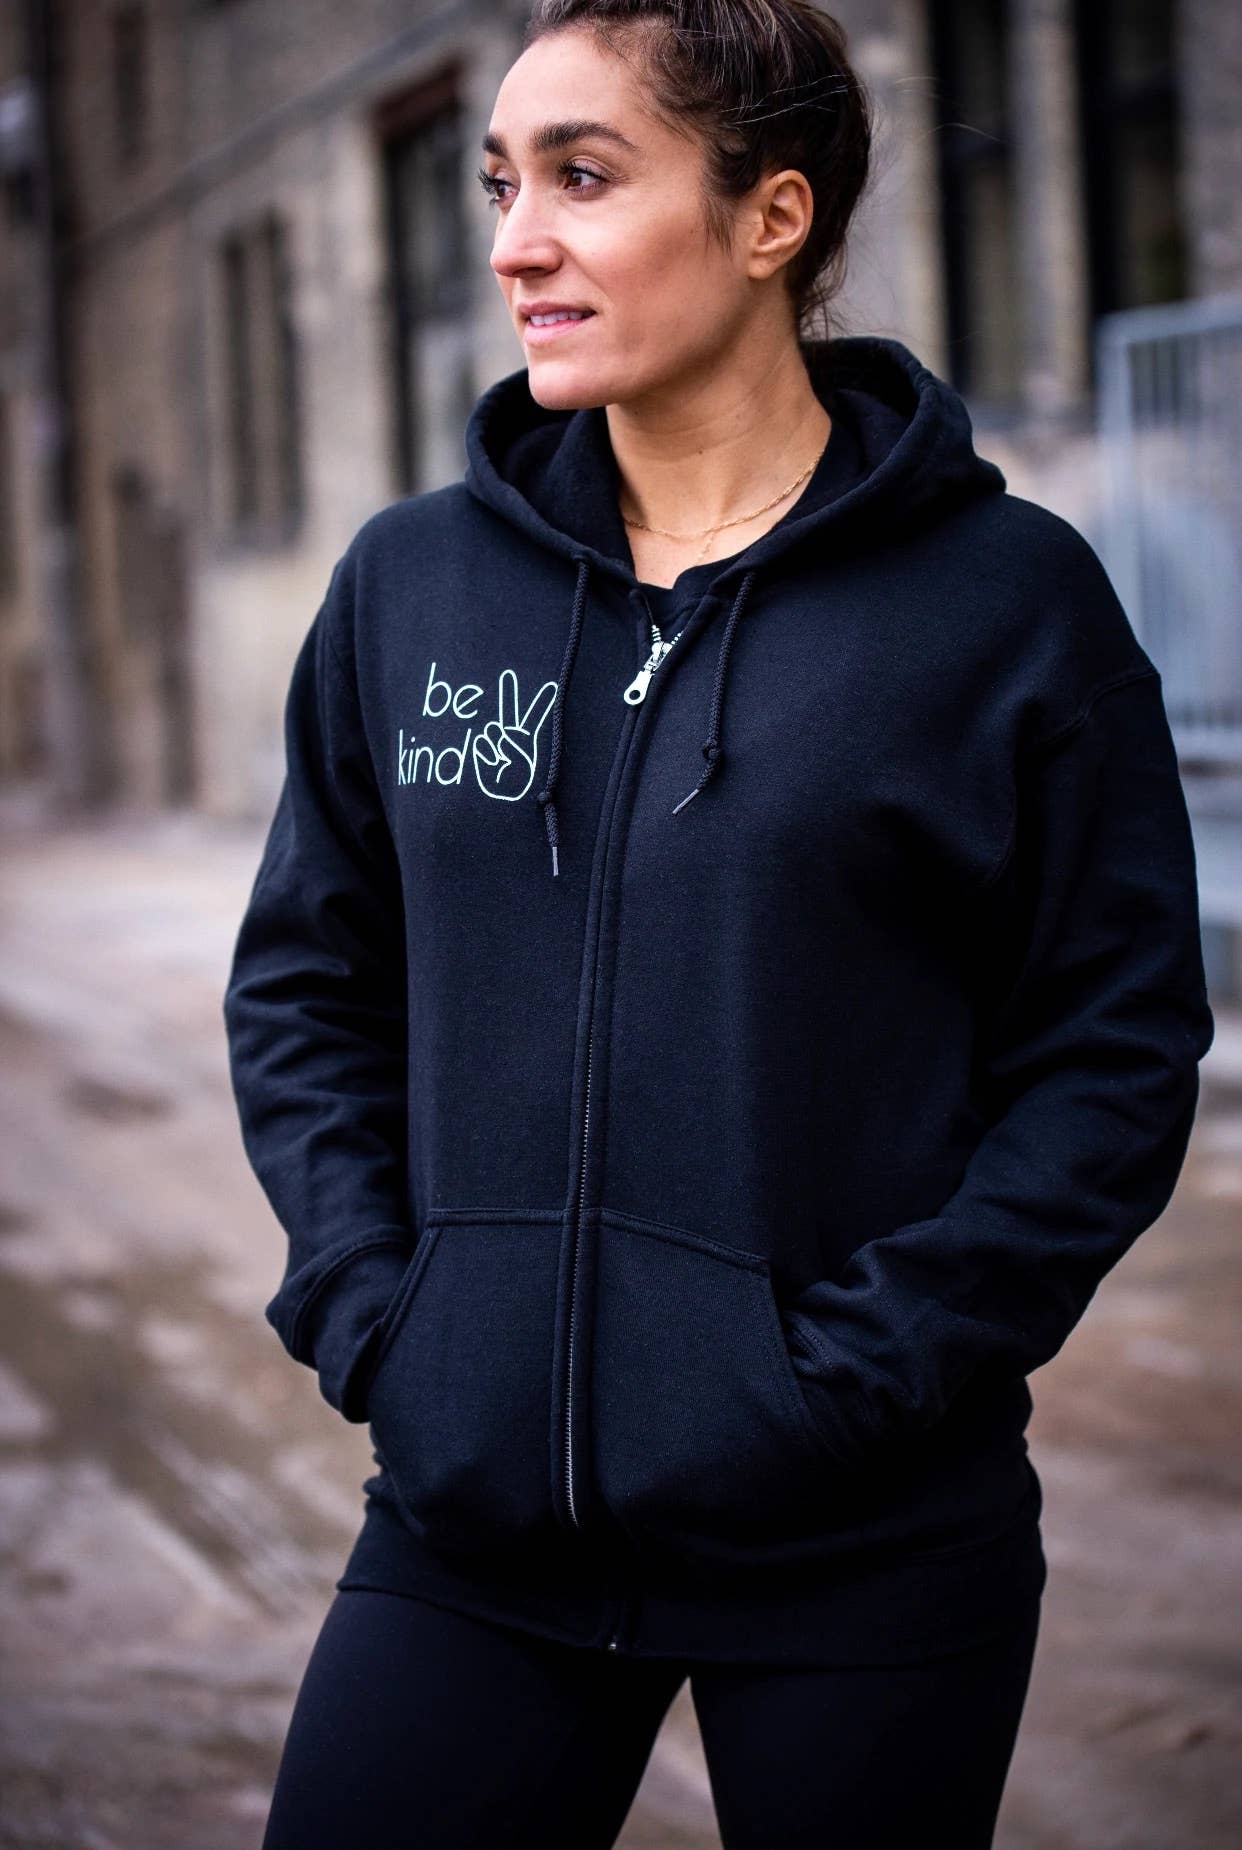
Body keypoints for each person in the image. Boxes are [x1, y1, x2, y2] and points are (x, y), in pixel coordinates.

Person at [221, 4, 1215, 1846]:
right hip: (476, 1521)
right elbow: (307, 985)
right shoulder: (410, 585)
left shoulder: (1001, 604)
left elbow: (1112, 1048)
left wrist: (845, 1380)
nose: (516, 241)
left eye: (584, 178)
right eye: (501, 184)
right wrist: (382, 1316)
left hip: (862, 1539)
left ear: (771, 215)